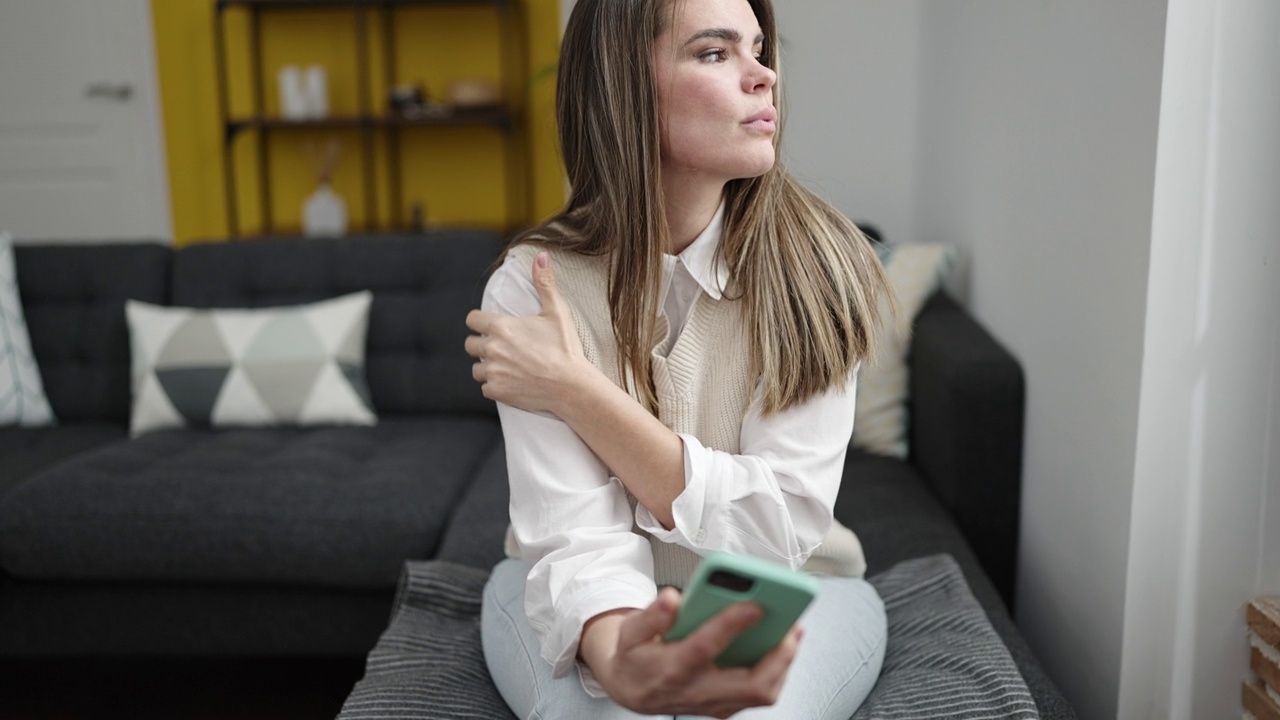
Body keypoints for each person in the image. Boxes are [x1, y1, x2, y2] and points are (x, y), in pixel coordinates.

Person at [463, 0, 892, 717]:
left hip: (796, 590)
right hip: (575, 593)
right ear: (624, 85)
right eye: (716, 53)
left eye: (760, 49)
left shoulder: (818, 265)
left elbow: (777, 528)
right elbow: (574, 537)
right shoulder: (532, 285)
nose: (765, 77)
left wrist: (578, 393)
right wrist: (621, 659)